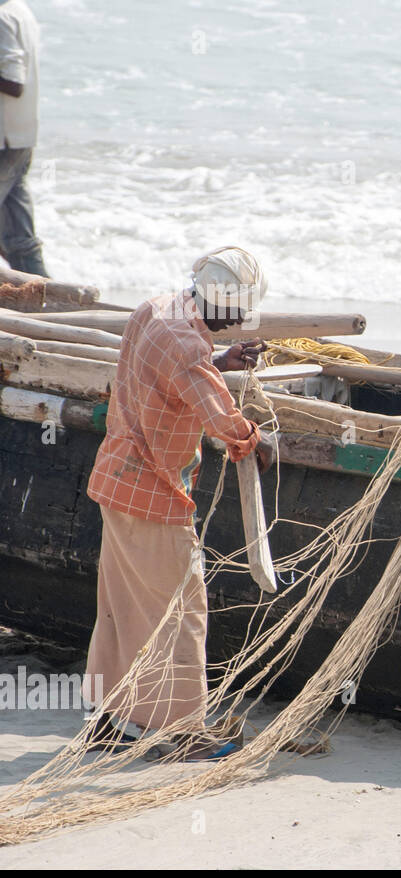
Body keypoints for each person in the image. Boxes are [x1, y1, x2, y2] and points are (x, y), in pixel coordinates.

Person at [82, 246, 275, 762]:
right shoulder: (187, 345)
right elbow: (220, 419)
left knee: (121, 605)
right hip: (154, 496)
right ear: (223, 306)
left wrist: (221, 362)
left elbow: (167, 371)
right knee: (184, 609)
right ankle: (184, 732)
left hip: (116, 482)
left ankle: (109, 721)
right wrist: (255, 440)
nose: (239, 322)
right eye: (237, 313)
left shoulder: (156, 309)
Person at [0, 0, 46, 276]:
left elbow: (14, 83)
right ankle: (42, 293)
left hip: (3, 139)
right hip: (21, 134)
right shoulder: (20, 10)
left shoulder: (2, 17)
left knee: (17, 234)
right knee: (20, 236)